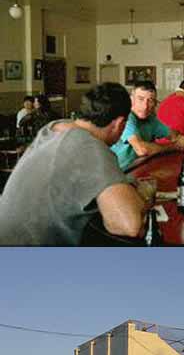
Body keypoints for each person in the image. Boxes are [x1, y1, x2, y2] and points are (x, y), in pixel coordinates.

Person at [0, 83, 148, 245]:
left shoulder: (53, 128)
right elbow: (129, 226)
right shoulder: (90, 146)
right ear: (120, 123)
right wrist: (143, 199)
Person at [110, 81, 184, 171]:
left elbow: (173, 134)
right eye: (140, 99)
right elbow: (142, 150)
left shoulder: (150, 118)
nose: (145, 106)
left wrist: (182, 139)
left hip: (137, 168)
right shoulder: (126, 117)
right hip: (117, 173)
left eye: (150, 101)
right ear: (131, 100)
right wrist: (174, 146)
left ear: (154, 103)